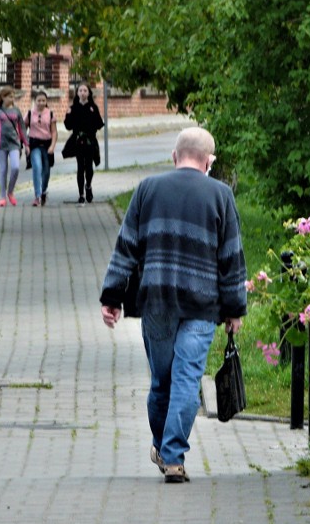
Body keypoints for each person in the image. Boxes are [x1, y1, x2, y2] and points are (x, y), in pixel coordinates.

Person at [99, 127, 247, 483]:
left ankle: (166, 449)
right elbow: (231, 257)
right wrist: (234, 308)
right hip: (202, 304)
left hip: (157, 301)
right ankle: (173, 455)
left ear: (174, 156)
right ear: (209, 161)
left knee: (162, 382)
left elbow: (127, 247)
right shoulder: (221, 195)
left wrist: (112, 297)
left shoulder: (148, 189)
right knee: (186, 380)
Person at [0, 86, 29, 208]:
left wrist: (26, 144)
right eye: (10, 96)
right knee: (3, 169)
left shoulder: (16, 110)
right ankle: (2, 197)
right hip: (1, 144)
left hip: (15, 143)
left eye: (13, 96)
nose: (13, 98)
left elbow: (22, 128)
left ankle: (10, 191)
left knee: (15, 167)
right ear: (3, 97)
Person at [63, 82, 104, 205]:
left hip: (90, 141)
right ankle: (81, 194)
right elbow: (68, 126)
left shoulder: (93, 107)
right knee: (80, 167)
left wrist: (94, 122)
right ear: (77, 93)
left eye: (85, 90)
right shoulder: (73, 108)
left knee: (89, 167)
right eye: (80, 90)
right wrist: (68, 114)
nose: (82, 93)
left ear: (89, 93)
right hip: (78, 141)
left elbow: (99, 124)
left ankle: (89, 186)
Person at [26, 90, 57, 207]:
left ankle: (43, 191)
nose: (41, 102)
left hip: (47, 144)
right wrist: (26, 145)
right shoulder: (29, 113)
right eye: (39, 100)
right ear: (35, 101)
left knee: (46, 171)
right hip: (34, 144)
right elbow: (23, 130)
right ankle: (37, 196)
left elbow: (54, 132)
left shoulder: (50, 114)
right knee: (37, 167)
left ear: (46, 101)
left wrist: (52, 146)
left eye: (43, 100)